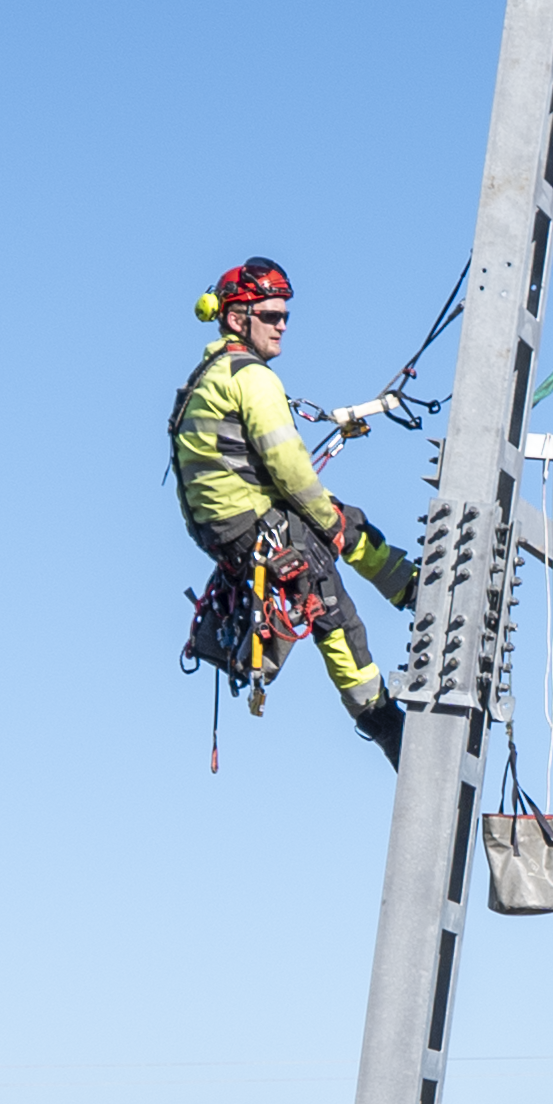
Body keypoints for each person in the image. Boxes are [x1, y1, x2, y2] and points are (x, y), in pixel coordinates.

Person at [167, 259, 417, 762]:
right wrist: (327, 525)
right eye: (271, 316)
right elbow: (289, 464)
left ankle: (413, 588)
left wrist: (333, 522)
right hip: (254, 524)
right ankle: (391, 731)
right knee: (334, 612)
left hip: (231, 529)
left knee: (350, 524)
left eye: (285, 316)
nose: (282, 325)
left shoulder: (207, 377)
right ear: (238, 319)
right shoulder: (251, 378)